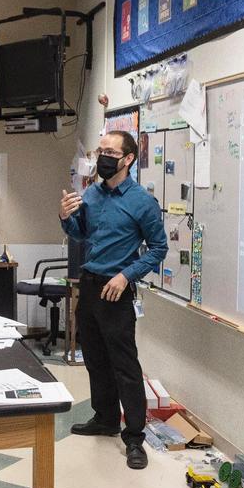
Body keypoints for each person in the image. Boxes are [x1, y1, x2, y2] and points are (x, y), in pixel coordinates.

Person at [59, 130, 168, 469]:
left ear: (128, 159)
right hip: (89, 286)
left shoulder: (142, 202)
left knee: (125, 366)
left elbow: (159, 249)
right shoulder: (91, 193)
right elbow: (80, 234)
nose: (102, 156)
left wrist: (127, 275)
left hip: (116, 289)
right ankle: (105, 418)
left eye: (110, 151)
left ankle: (134, 437)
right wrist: (66, 217)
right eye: (100, 150)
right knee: (94, 357)